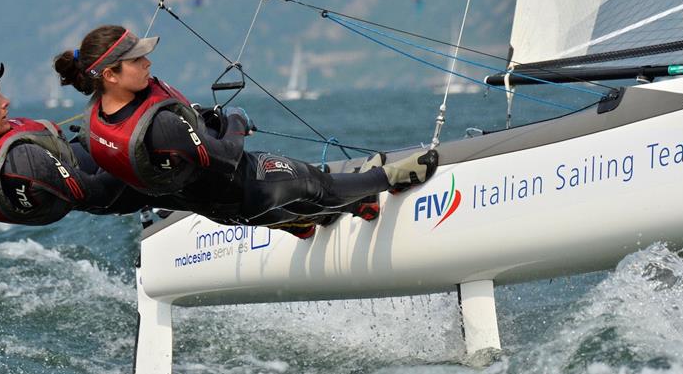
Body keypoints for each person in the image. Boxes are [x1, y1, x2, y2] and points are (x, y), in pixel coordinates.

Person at [54, 25, 438, 238]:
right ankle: (391, 179)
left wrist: (201, 121)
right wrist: (236, 121)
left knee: (300, 212)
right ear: (109, 75)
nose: (148, 62)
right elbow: (224, 157)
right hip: (250, 187)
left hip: (223, 212)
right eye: (137, 60)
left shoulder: (96, 126)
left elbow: (144, 176)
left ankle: (321, 221)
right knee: (318, 184)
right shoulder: (161, 127)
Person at [0, 56, 163, 225]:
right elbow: (101, 194)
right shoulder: (20, 164)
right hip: (122, 186)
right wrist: (131, 146)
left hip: (92, 161)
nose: (6, 102)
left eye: (0, 94)